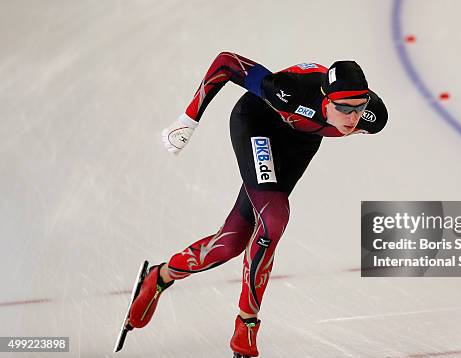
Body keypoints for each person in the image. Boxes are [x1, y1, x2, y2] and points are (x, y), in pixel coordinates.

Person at [127, 52, 387, 357]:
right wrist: (188, 119)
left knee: (230, 243)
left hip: (298, 143)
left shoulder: (374, 117)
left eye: (360, 108)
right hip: (257, 124)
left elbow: (355, 115)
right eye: (344, 108)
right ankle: (247, 323)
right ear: (326, 100)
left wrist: (350, 113)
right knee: (273, 219)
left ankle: (160, 276)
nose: (354, 118)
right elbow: (226, 63)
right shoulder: (288, 91)